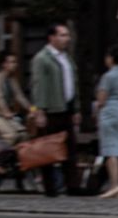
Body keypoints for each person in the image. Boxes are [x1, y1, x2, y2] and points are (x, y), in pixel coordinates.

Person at [30, 23, 81, 196]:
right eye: (62, 35)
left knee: (70, 148)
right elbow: (38, 86)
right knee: (47, 150)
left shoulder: (66, 58)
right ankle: (50, 187)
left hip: (66, 107)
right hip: (50, 109)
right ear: (52, 37)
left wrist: (76, 109)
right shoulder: (42, 58)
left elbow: (73, 84)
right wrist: (39, 110)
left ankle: (73, 185)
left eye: (67, 35)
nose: (66, 38)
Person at [95, 46, 118, 198]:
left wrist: (97, 108)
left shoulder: (108, 76)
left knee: (111, 149)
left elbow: (101, 98)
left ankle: (115, 184)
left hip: (110, 110)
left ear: (111, 58)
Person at [0, 50, 31, 145]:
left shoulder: (12, 80)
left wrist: (33, 109)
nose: (15, 65)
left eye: (15, 62)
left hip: (6, 116)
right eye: (12, 62)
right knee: (11, 135)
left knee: (24, 135)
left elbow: (20, 97)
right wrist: (6, 112)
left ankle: (15, 158)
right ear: (4, 64)